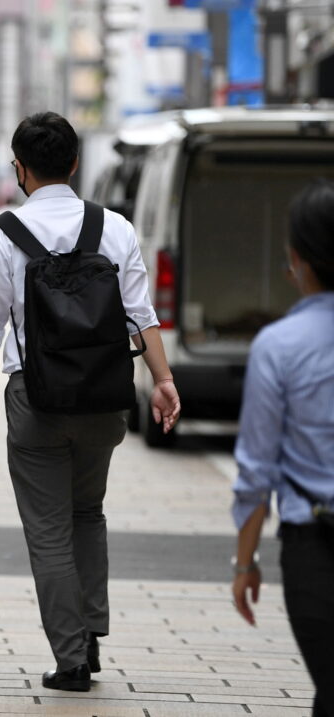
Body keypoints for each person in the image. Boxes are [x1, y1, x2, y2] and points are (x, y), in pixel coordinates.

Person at [0, 112, 181, 691]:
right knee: (88, 512)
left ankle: (70, 659)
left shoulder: (2, 234)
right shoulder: (115, 228)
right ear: (76, 164)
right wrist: (161, 380)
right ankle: (89, 632)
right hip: (105, 400)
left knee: (48, 530)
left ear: (20, 168)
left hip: (36, 402)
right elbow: (141, 314)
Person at [230, 180, 334, 717]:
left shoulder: (279, 346)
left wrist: (244, 563)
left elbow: (257, 472)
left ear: (297, 260)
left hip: (317, 548)